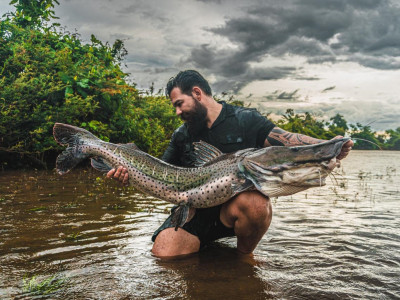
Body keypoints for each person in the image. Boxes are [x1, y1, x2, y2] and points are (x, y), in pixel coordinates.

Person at [107, 70, 353, 257]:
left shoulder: (246, 119)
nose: (177, 112)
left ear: (197, 93)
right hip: (195, 211)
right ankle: (206, 250)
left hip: (234, 210)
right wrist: (128, 175)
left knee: (256, 203)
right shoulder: (182, 134)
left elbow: (286, 140)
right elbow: (159, 170)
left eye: (179, 104)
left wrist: (327, 146)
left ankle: (243, 258)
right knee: (163, 256)